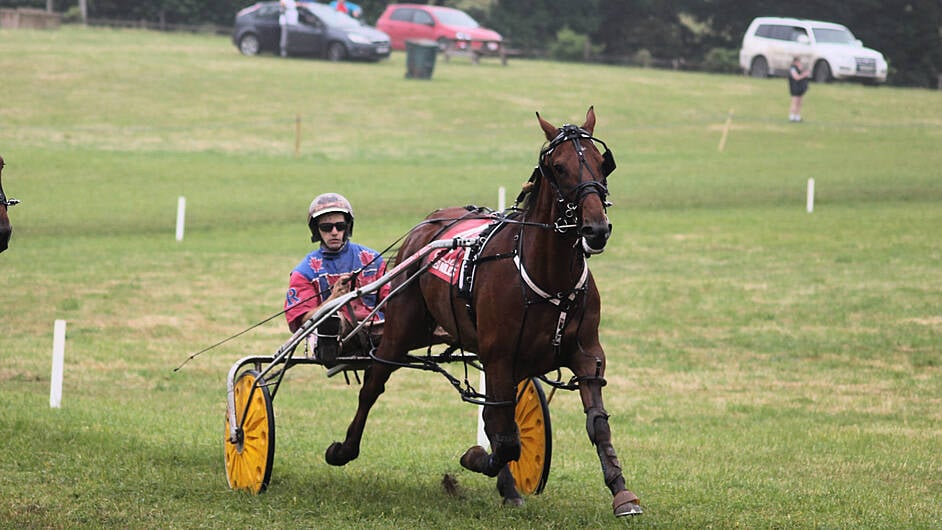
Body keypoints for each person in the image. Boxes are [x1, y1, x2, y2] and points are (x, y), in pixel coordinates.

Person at [284, 193, 389, 363]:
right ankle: (328, 351)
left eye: (339, 226)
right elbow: (302, 320)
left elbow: (391, 300)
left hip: (376, 331)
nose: (334, 232)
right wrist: (333, 300)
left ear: (347, 227)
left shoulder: (372, 259)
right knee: (333, 320)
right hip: (334, 338)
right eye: (327, 227)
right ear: (316, 230)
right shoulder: (305, 271)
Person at [788, 56, 811, 122]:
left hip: (800, 88)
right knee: (794, 102)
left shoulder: (798, 69)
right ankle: (791, 116)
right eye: (798, 62)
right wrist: (804, 75)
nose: (799, 63)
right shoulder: (792, 69)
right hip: (795, 88)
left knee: (799, 103)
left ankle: (797, 117)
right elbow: (796, 77)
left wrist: (802, 71)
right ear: (795, 62)